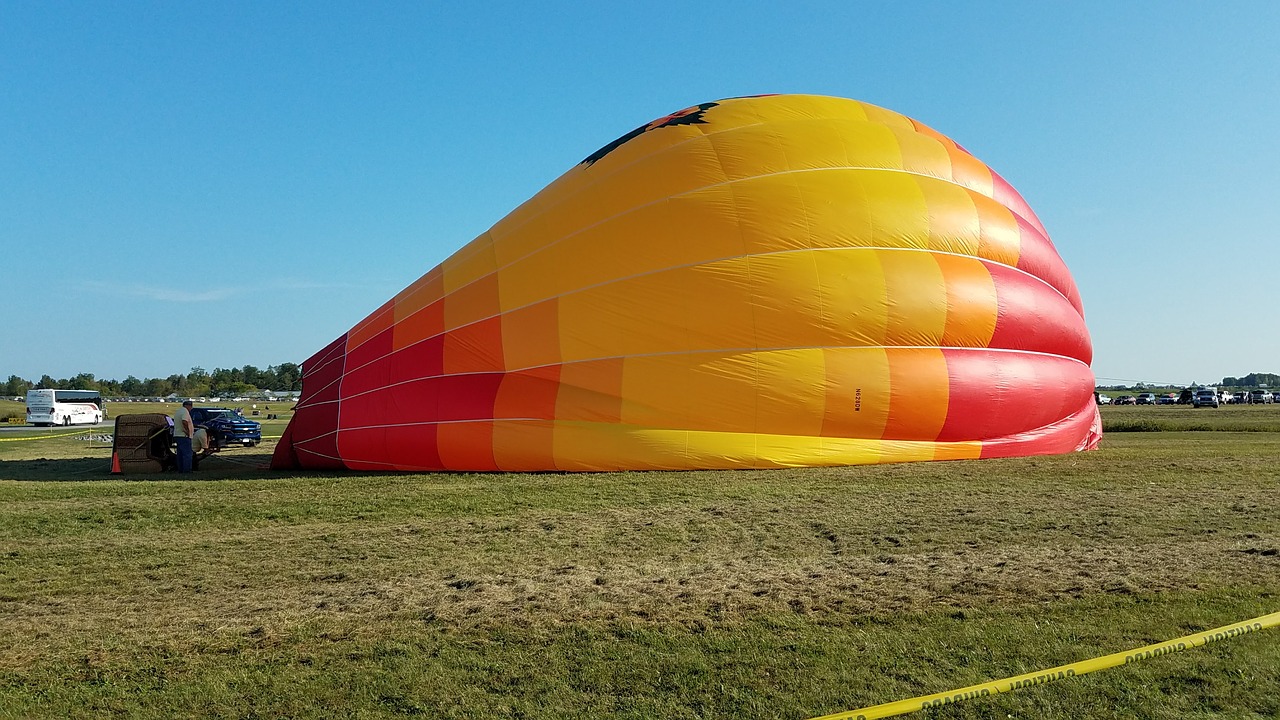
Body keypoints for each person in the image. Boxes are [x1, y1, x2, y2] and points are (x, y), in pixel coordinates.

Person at [172, 400, 195, 473]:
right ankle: (187, 470)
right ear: (188, 406)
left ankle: (180, 469)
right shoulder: (185, 412)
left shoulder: (178, 411)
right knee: (187, 454)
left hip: (177, 434)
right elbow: (184, 421)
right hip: (184, 435)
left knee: (180, 454)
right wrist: (187, 431)